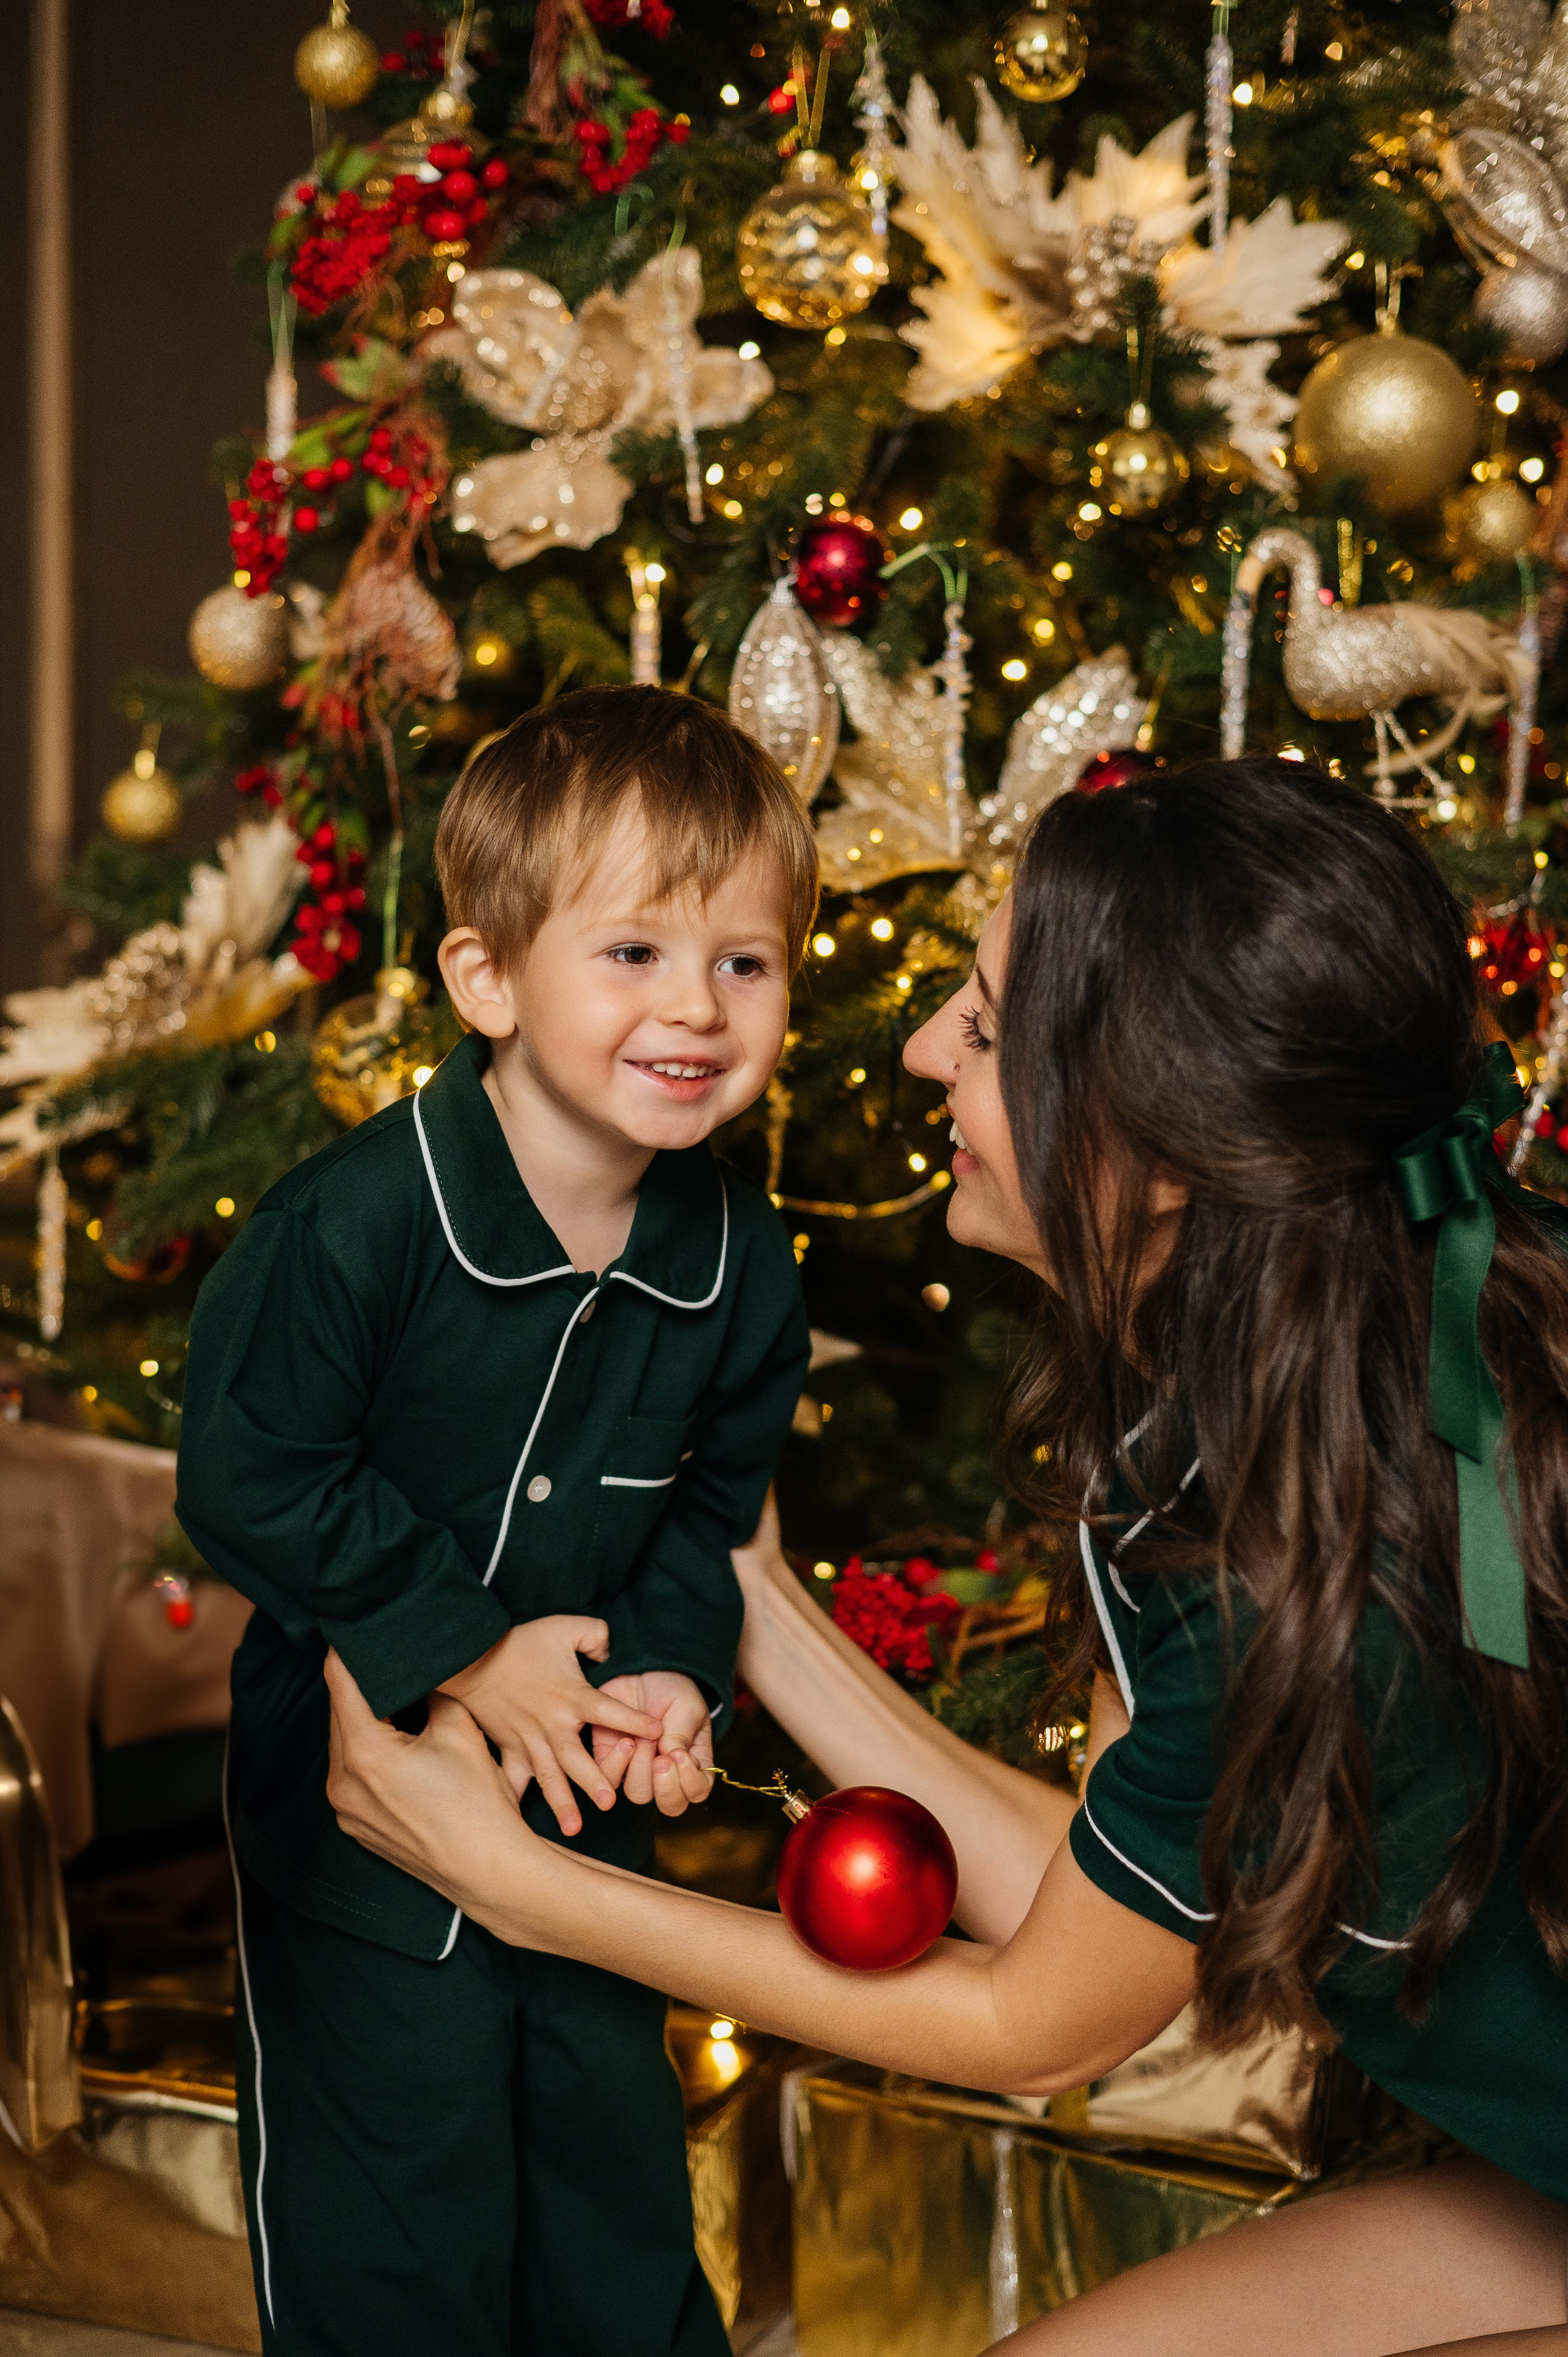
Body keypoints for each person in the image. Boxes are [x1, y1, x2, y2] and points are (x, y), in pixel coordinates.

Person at [325, 756, 1568, 2356]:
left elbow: (1038, 2026)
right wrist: (747, 1594)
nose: (922, 1051)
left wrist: (512, 1882)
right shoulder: (1283, 1384)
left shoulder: (1305, 1532)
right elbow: (1092, 1912)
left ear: (1166, 1149)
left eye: (984, 1032)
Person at [176, 685, 818, 2356]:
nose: (697, 1008)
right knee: (398, 2202)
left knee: (605, 2174)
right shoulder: (353, 1228)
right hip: (362, 1818)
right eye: (635, 956)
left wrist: (675, 1672)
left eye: (743, 963)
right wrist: (464, 1649)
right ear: (488, 980)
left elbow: (705, 1517)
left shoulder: (740, 1261)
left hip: (589, 1810)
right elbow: (253, 1472)